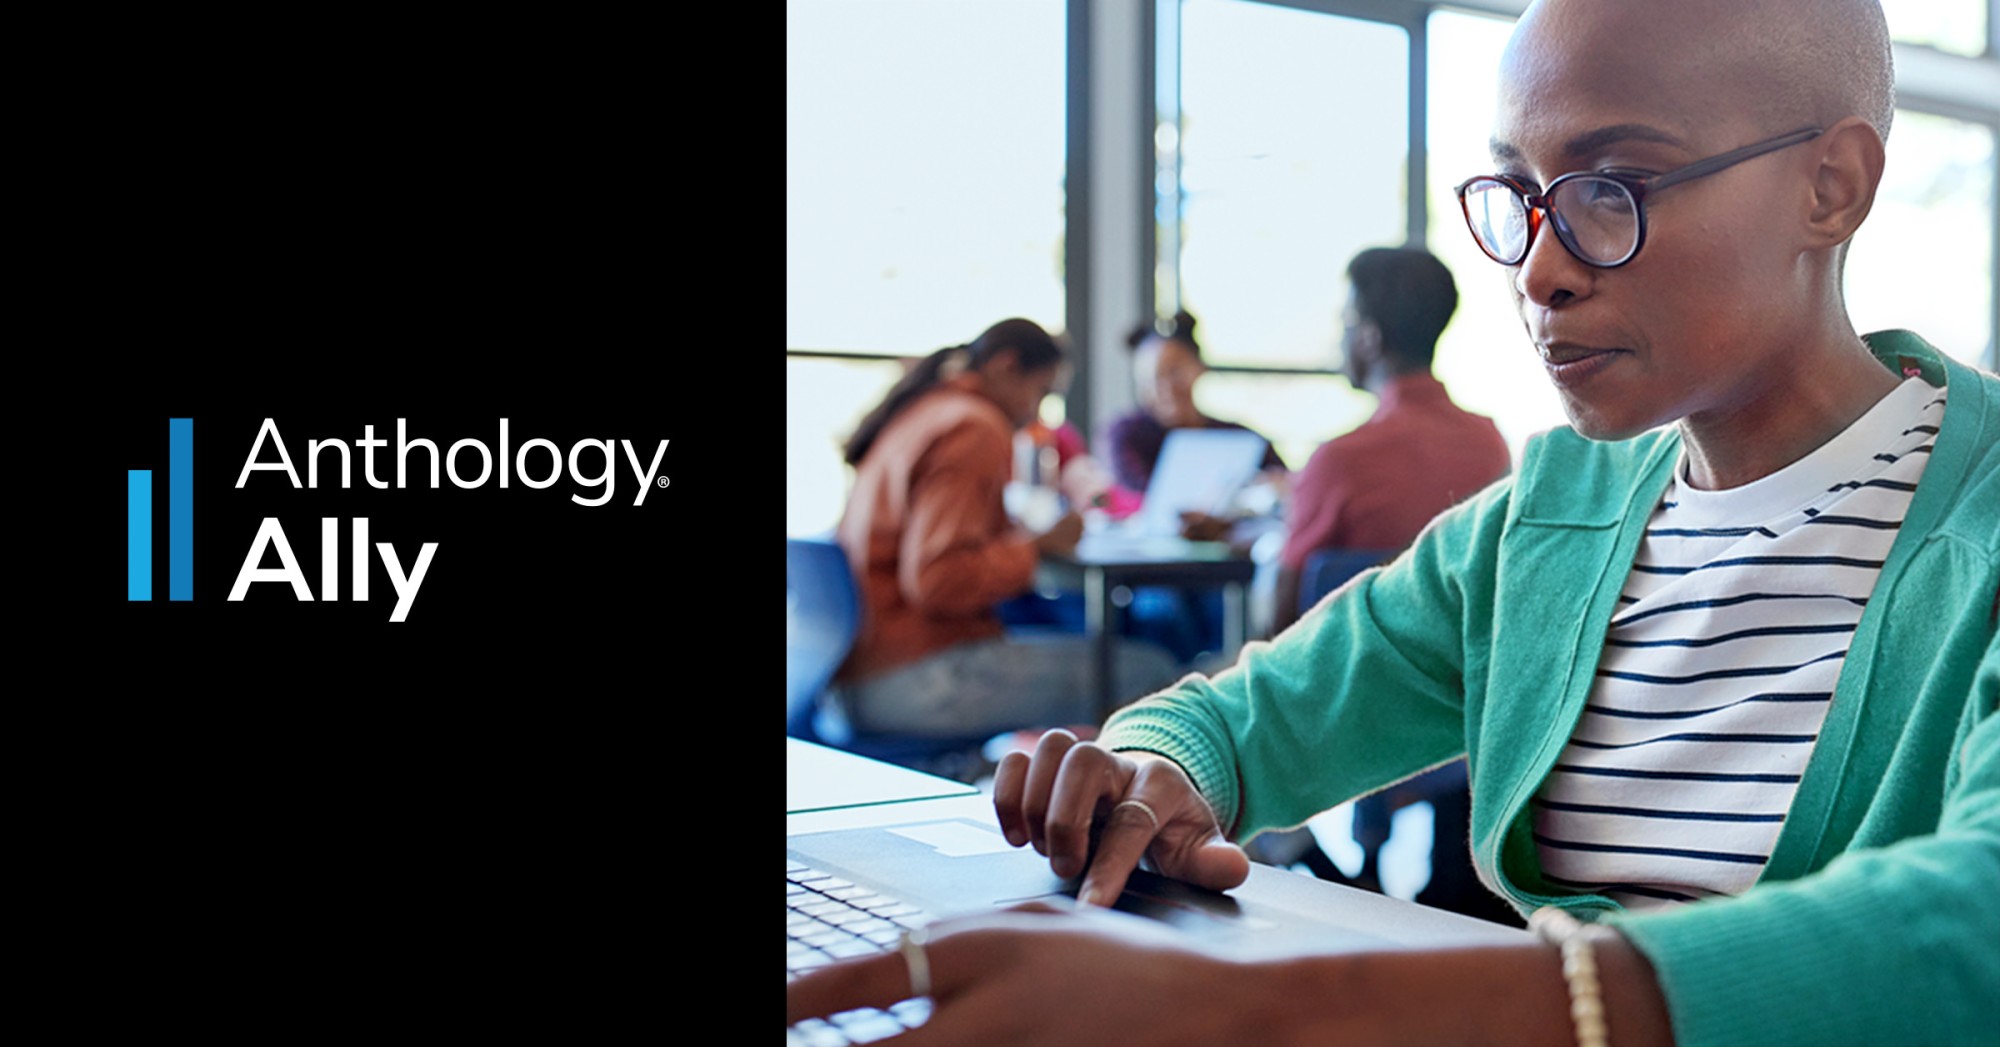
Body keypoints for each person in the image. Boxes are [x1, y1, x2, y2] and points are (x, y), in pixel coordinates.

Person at [790, 1, 1998, 1044]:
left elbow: (1965, 926)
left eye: (1609, 189)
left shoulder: (1976, 516)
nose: (1536, 272)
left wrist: (1287, 1011)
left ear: (1827, 187)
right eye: (1518, 198)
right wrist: (1158, 772)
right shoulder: (1552, 519)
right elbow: (1248, 710)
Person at [827, 318, 1180, 740]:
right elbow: (937, 579)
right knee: (1152, 671)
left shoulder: (921, 411)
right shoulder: (974, 426)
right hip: (912, 676)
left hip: (853, 676)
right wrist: (1036, 546)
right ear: (1005, 366)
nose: (1036, 413)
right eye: (1041, 392)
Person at [1272, 245, 1513, 635]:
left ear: (1369, 336)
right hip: (1459, 675)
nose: (1340, 338)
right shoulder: (1489, 443)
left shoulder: (1339, 459)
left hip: (1347, 675)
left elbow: (1282, 624)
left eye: (1345, 322)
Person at [1100, 310, 1287, 509]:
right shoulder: (1126, 435)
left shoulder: (1239, 437)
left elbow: (1287, 485)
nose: (1165, 388)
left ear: (1199, 368)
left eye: (1175, 372)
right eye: (1151, 379)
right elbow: (1138, 499)